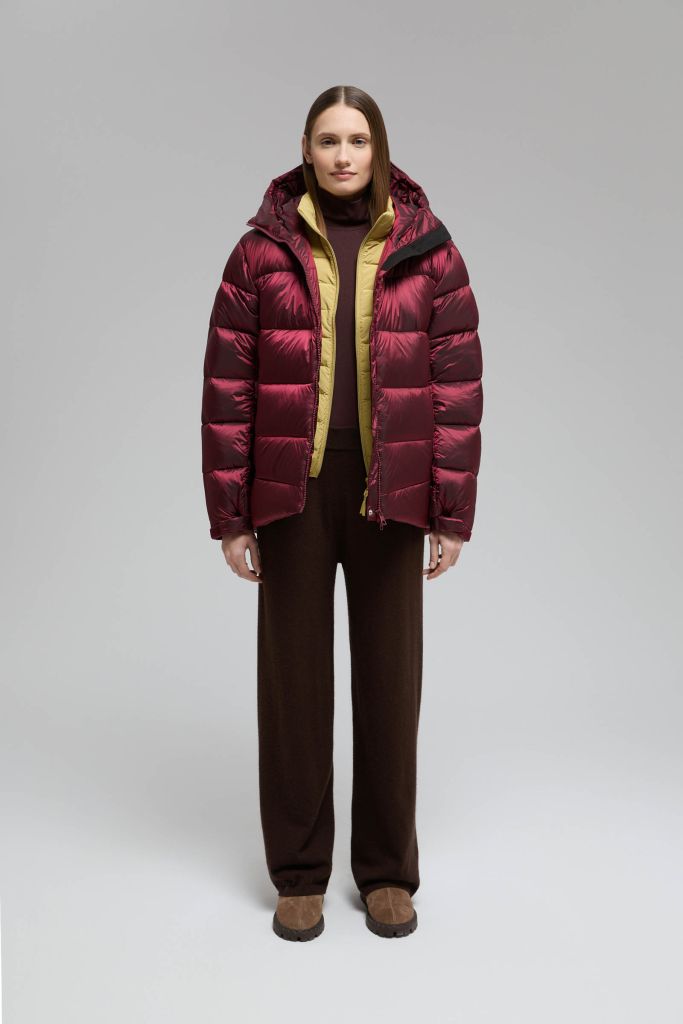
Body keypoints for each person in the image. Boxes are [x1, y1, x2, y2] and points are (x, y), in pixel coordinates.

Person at [201, 85, 483, 941]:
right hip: (292, 490)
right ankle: (298, 873)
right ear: (306, 149)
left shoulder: (429, 250)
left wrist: (450, 512)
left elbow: (456, 387)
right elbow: (227, 388)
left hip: (391, 490)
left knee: (391, 684)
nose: (343, 155)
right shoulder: (260, 252)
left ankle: (388, 871)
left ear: (378, 148)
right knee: (292, 685)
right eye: (328, 140)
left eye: (357, 140)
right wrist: (232, 515)